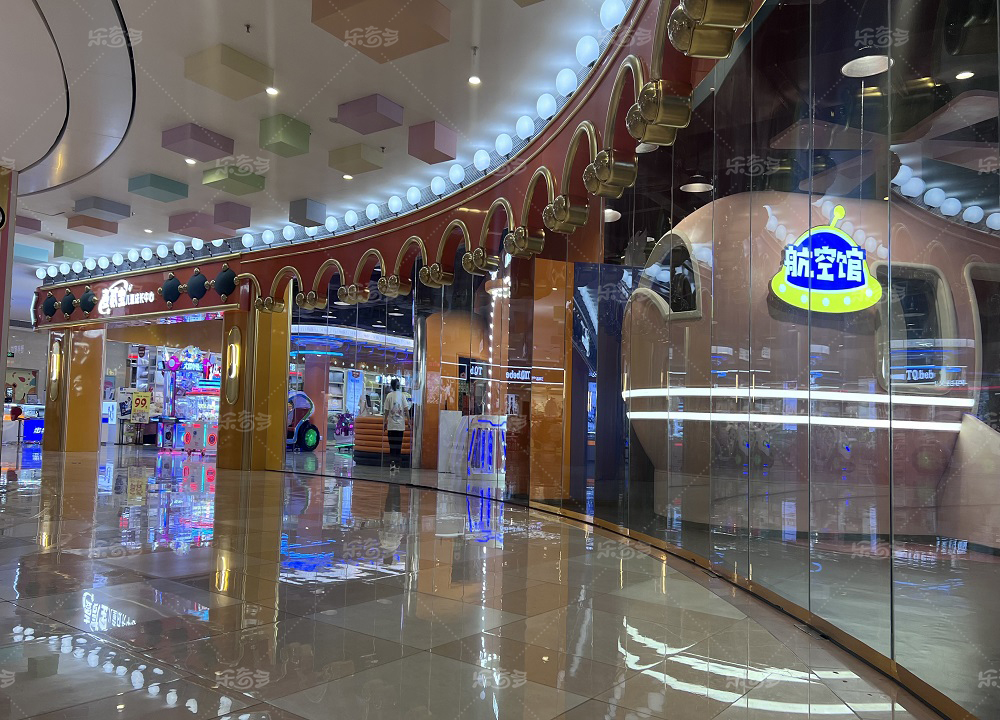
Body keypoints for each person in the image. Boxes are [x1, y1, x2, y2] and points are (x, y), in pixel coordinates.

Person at [383, 378, 409, 474]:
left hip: (391, 425)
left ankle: (392, 463)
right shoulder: (402, 396)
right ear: (398, 386)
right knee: (398, 446)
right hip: (400, 426)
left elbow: (386, 411)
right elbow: (406, 409)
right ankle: (397, 463)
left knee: (392, 446)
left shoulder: (389, 396)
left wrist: (385, 422)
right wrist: (409, 421)